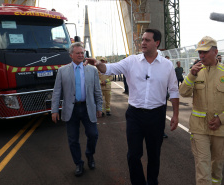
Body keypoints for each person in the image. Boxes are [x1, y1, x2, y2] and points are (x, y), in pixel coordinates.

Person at [85, 29, 179, 185]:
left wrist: (175, 115)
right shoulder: (131, 61)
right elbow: (109, 68)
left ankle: (152, 181)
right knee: (133, 154)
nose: (142, 42)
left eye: (147, 40)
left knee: (154, 154)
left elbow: (174, 90)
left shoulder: (167, 66)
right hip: (135, 115)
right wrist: (98, 63)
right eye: (142, 39)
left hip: (157, 115)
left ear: (156, 43)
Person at [51, 42, 103, 177]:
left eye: (82, 53)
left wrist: (99, 107)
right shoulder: (62, 71)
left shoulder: (92, 70)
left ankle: (89, 155)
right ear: (71, 55)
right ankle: (78, 163)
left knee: (93, 134)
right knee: (73, 139)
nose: (81, 55)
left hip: (87, 108)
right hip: (71, 110)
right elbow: (57, 92)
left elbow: (97, 90)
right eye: (78, 53)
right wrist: (54, 110)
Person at [179, 36, 224, 185]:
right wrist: (191, 75)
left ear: (215, 52)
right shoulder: (196, 71)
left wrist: (221, 119)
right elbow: (183, 92)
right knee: (202, 167)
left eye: (205, 52)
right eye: (199, 53)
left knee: (216, 168)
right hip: (199, 129)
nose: (201, 56)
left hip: (220, 129)